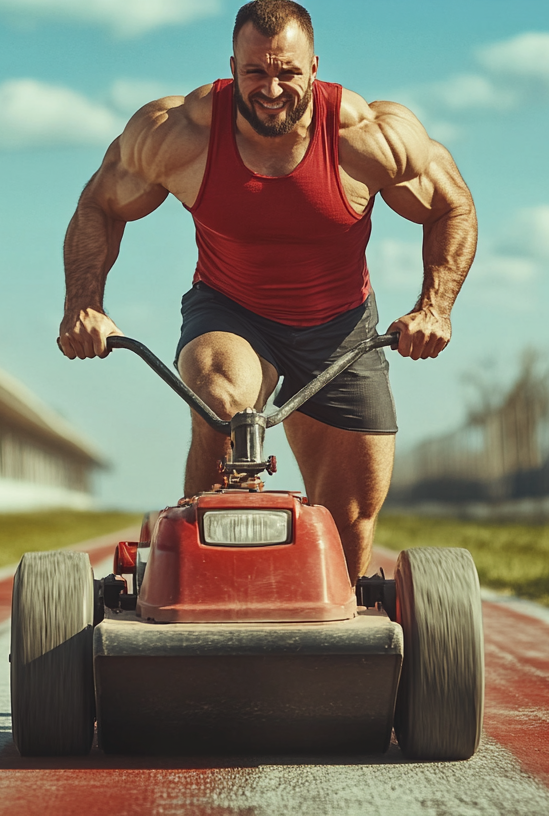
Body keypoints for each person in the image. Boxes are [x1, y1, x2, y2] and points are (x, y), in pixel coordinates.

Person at [57, 0, 477, 584]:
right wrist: (85, 305)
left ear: (314, 67)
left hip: (341, 327)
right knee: (225, 405)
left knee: (350, 520)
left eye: (288, 72)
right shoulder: (180, 133)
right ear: (233, 66)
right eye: (255, 72)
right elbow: (100, 204)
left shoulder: (368, 136)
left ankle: (329, 634)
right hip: (231, 311)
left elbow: (451, 204)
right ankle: (194, 578)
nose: (272, 88)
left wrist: (435, 306)